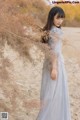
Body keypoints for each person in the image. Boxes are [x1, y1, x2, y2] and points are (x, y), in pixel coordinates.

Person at [36, 6, 72, 120]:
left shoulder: (48, 30)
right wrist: (55, 68)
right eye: (58, 18)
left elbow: (47, 50)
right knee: (53, 93)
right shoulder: (56, 31)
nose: (60, 21)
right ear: (52, 17)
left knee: (48, 92)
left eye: (62, 18)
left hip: (48, 63)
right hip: (54, 64)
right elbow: (54, 52)